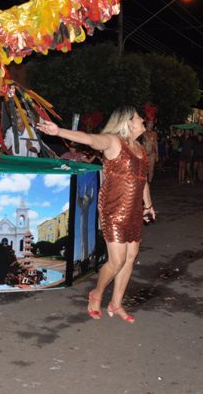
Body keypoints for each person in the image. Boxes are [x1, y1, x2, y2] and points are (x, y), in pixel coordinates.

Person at [36, 106, 153, 324]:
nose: (143, 120)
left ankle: (116, 303)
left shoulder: (139, 148)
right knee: (117, 260)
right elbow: (89, 139)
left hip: (135, 211)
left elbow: (142, 179)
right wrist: (58, 131)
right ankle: (97, 293)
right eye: (139, 118)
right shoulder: (113, 141)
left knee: (130, 257)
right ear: (127, 122)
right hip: (114, 210)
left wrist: (148, 205)